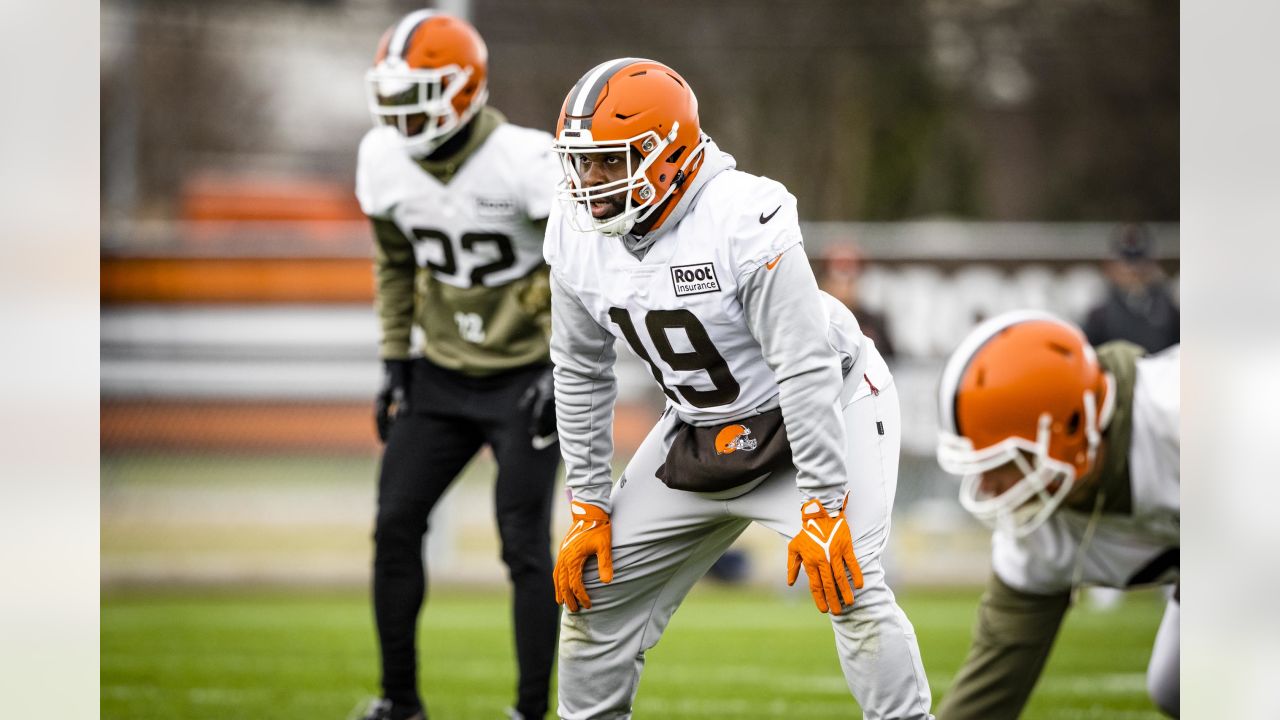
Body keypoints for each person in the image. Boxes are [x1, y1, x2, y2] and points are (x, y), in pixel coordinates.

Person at [543, 58, 934, 720]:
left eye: (610, 162)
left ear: (666, 152)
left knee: (852, 586)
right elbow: (579, 368)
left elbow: (803, 364)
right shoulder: (578, 235)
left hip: (821, 405)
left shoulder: (739, 215)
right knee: (594, 595)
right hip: (699, 424)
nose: (591, 182)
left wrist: (822, 504)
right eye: (582, 163)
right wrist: (586, 502)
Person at [354, 11, 562, 720]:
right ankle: (400, 702)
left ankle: (531, 712)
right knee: (394, 526)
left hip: (527, 376)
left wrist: (565, 367)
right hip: (440, 374)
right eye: (396, 94)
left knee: (524, 542)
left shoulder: (526, 160)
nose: (401, 113)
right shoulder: (382, 160)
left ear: (464, 89)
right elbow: (393, 263)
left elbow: (584, 269)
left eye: (419, 93)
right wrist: (394, 357)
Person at [933, 311, 1179, 719]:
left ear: (1070, 430)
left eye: (999, 464)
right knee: (1176, 684)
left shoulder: (1185, 417)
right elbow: (988, 692)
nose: (987, 486)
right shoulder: (1037, 533)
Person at [1082, 223, 1179, 353]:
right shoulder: (1099, 316)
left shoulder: (1169, 311)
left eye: (1140, 261)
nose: (1134, 270)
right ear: (1110, 266)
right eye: (1126, 262)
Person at [818, 242, 896, 360]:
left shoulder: (874, 322)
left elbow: (891, 362)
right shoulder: (815, 319)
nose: (844, 274)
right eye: (839, 267)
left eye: (850, 267)